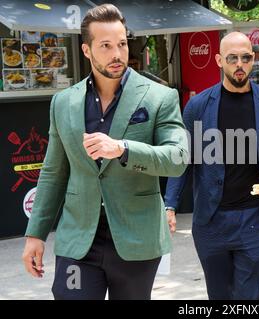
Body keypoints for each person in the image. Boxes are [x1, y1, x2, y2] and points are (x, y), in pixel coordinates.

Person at [21, 4, 188, 300]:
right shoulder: (63, 102)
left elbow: (177, 159)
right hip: (78, 239)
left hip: (136, 239)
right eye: (106, 46)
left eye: (122, 44)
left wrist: (124, 149)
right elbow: (53, 173)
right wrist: (36, 234)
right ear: (86, 50)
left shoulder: (161, 96)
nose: (117, 54)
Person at [164, 32, 259, 300]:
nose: (240, 64)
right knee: (219, 296)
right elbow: (183, 159)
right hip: (211, 221)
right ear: (219, 60)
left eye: (246, 57)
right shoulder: (198, 107)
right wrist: (170, 205)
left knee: (248, 298)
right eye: (232, 58)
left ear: (253, 59)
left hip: (252, 219)